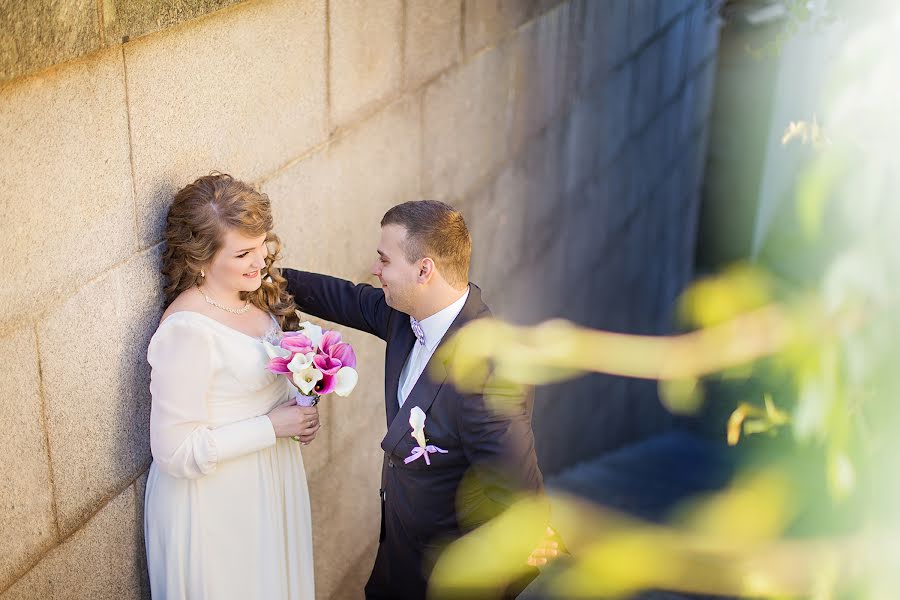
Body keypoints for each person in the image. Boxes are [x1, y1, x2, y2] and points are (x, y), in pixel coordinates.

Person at [283, 200, 547, 599]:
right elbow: (343, 297)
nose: (376, 271)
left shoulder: (488, 376)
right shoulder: (404, 316)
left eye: (384, 260)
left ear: (424, 269)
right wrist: (262, 276)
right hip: (397, 561)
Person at [144, 174, 320, 600]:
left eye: (261, 247)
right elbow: (174, 451)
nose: (260, 262)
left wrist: (302, 401)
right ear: (201, 259)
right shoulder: (187, 331)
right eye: (243, 253)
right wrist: (272, 427)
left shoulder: (253, 298)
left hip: (269, 484)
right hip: (216, 505)